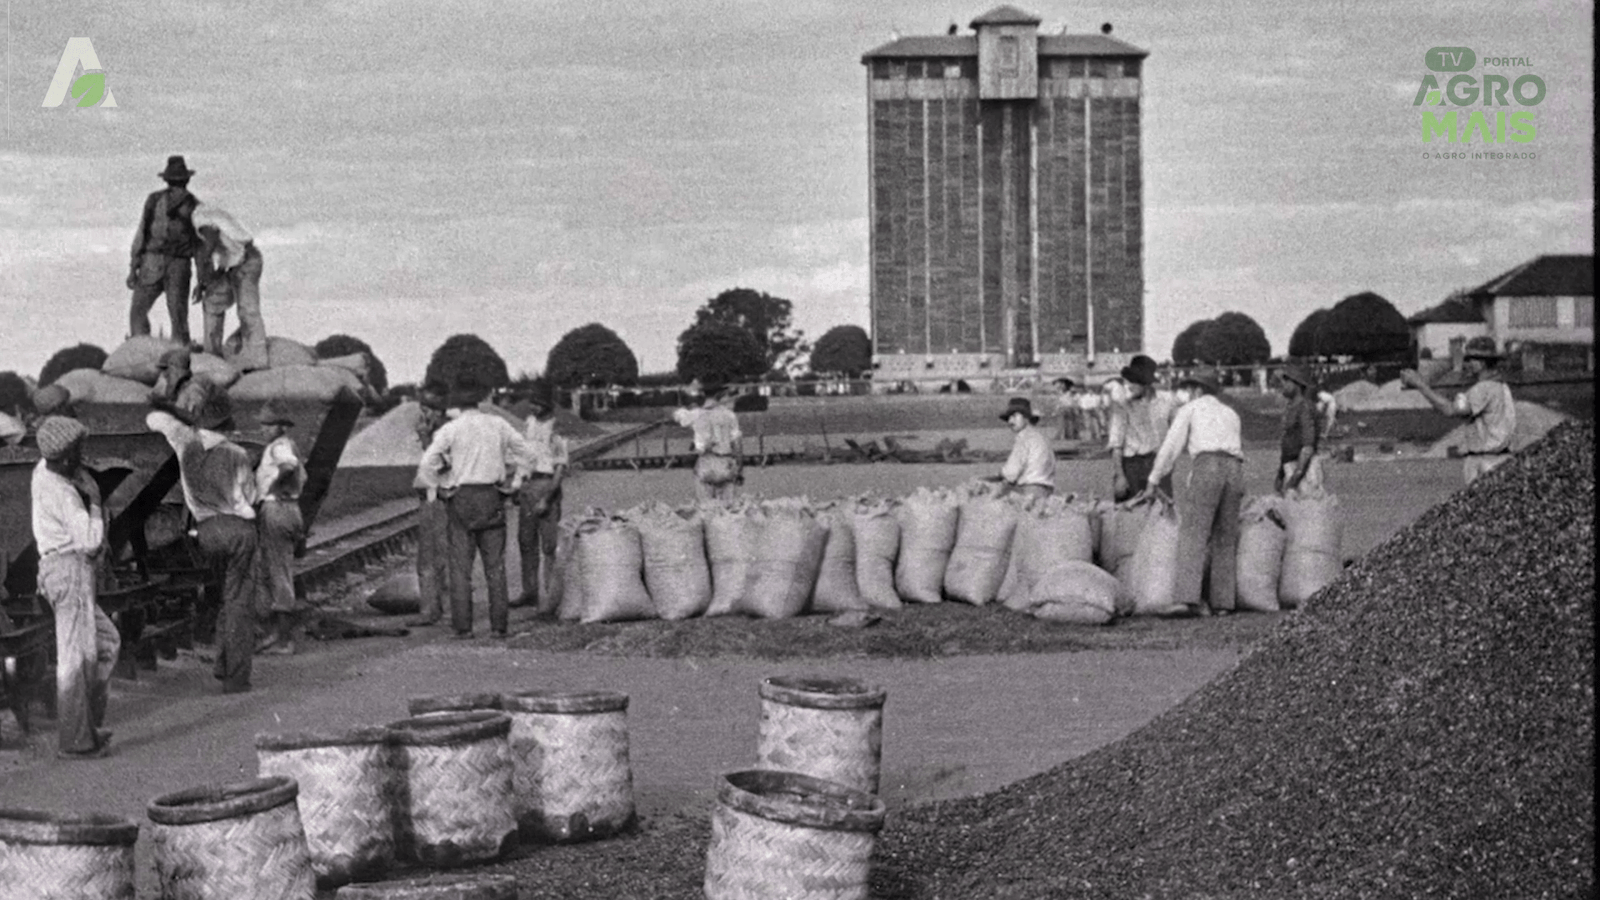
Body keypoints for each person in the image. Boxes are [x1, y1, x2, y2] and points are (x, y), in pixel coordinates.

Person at [146, 383, 260, 693]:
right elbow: (250, 496)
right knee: (239, 602)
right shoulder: (237, 453)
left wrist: (176, 411)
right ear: (228, 424)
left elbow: (154, 419)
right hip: (237, 528)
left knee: (223, 594)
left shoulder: (185, 443)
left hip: (206, 531)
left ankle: (223, 664)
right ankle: (235, 677)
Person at [31, 417, 121, 758]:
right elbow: (89, 542)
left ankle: (86, 725)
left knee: (107, 642)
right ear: (67, 459)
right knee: (75, 660)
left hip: (56, 569)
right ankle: (76, 742)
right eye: (78, 453)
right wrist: (95, 501)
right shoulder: (65, 493)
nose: (83, 458)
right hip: (71, 570)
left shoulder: (41, 469)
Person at [416, 378, 534, 639]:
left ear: (456, 404)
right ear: (480, 401)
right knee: (495, 566)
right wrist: (515, 483)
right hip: (491, 496)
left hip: (462, 498)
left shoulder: (451, 429)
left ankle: (463, 628)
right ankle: (499, 627)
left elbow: (427, 463)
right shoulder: (498, 424)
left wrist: (439, 489)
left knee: (460, 568)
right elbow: (529, 454)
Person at [1138, 367, 1245, 617]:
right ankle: (1223, 604)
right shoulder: (1231, 413)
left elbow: (1171, 447)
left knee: (1194, 533)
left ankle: (1189, 598)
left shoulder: (1191, 409)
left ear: (1197, 390)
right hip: (1235, 468)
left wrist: (1154, 479)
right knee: (1225, 536)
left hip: (1207, 465)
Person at [1400, 336, 1518, 484]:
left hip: (1485, 460)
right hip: (1501, 457)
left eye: (1469, 360)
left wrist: (1421, 385)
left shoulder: (1483, 389)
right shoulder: (1500, 386)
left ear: (1479, 364)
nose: (1466, 365)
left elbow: (1450, 410)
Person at [128, 155, 200, 344]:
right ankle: (146, 350)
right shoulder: (158, 201)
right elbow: (142, 233)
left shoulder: (192, 206)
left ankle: (151, 350)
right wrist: (134, 265)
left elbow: (142, 234)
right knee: (171, 315)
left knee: (171, 316)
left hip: (167, 262)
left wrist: (133, 266)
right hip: (161, 262)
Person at [253, 399, 307, 655]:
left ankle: (285, 640)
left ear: (280, 427)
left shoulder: (280, 447)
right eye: (263, 425)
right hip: (286, 509)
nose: (264, 430)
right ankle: (276, 634)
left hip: (278, 509)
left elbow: (289, 467)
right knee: (273, 571)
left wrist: (274, 488)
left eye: (269, 425)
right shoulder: (286, 445)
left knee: (279, 574)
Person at [508, 389, 568, 613]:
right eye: (531, 403)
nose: (532, 408)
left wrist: (548, 498)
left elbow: (560, 467)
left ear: (548, 405)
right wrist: (516, 485)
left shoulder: (556, 429)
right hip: (528, 485)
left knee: (549, 546)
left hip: (546, 485)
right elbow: (523, 457)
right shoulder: (529, 423)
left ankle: (550, 595)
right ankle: (529, 592)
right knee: (526, 542)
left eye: (537, 404)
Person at [191, 202, 268, 368]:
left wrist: (204, 269)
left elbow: (210, 243)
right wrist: (203, 284)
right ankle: (212, 356)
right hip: (234, 265)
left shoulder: (200, 217)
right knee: (212, 301)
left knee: (248, 310)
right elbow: (223, 255)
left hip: (247, 261)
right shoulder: (206, 217)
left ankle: (258, 360)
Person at [407, 382, 452, 627]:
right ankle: (439, 606)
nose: (423, 415)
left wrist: (425, 438)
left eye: (426, 409)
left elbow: (439, 463)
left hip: (436, 498)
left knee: (428, 558)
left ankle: (429, 610)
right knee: (439, 556)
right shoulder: (446, 430)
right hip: (437, 496)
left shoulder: (441, 434)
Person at [1106, 354, 1176, 502]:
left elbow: (1175, 437)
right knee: (1130, 517)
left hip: (1159, 465)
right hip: (1131, 467)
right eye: (1128, 381)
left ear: (1146, 383)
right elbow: (1116, 444)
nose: (1129, 386)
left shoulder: (1167, 401)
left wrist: (1168, 466)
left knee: (1161, 516)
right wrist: (1120, 476)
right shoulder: (1122, 405)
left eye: (1134, 381)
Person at [678, 383, 743, 502]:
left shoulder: (696, 414)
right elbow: (737, 445)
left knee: (705, 510)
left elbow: (680, 418)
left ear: (703, 394)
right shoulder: (730, 415)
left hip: (706, 464)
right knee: (728, 510)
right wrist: (739, 470)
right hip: (726, 464)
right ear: (721, 395)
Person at [997, 397, 1056, 501]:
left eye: (1014, 416)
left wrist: (999, 475)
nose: (1010, 421)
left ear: (1026, 418)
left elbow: (1011, 473)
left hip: (1029, 490)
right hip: (1046, 489)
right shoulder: (1041, 438)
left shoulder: (1024, 438)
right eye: (1008, 418)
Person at [1276, 365, 1323, 496]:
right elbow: (1287, 443)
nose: (1282, 384)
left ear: (1297, 384)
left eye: (1286, 380)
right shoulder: (1291, 407)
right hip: (1291, 467)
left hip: (1305, 471)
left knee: (1308, 512)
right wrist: (1281, 474)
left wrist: (1295, 478)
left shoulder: (1304, 407)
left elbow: (1308, 447)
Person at [149, 347, 212, 423]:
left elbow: (194, 418)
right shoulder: (177, 388)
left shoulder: (193, 389)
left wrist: (167, 407)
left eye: (168, 369)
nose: (165, 374)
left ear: (179, 371)